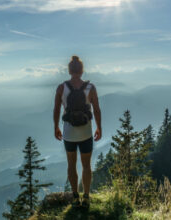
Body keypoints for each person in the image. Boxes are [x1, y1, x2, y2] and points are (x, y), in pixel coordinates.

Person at [53, 55, 102, 209]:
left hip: (69, 133)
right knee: (86, 165)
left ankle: (75, 197)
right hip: (86, 132)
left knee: (71, 165)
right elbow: (97, 110)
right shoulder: (90, 88)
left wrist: (56, 127)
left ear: (69, 70)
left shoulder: (62, 88)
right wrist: (99, 127)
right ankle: (86, 197)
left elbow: (56, 109)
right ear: (82, 70)